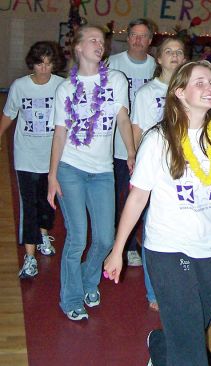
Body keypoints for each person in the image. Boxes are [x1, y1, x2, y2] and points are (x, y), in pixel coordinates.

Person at [103, 60, 211, 366]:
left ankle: (160, 343)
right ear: (179, 92)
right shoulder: (158, 140)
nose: (210, 88)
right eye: (200, 83)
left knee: (192, 327)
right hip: (167, 250)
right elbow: (137, 197)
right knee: (192, 353)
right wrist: (117, 250)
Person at [47, 25, 135, 321]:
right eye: (93, 40)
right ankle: (70, 298)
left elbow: (123, 118)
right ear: (79, 48)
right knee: (77, 237)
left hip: (103, 171)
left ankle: (87, 280)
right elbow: (60, 133)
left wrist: (132, 151)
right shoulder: (65, 88)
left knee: (105, 239)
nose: (100, 44)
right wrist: (51, 176)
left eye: (102, 40)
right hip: (70, 168)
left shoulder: (116, 80)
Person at [0, 41, 65, 279]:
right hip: (26, 156)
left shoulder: (61, 86)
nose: (44, 68)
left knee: (47, 204)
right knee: (29, 206)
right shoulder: (20, 86)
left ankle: (43, 233)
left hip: (52, 157)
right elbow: (9, 114)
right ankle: (29, 257)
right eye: (40, 63)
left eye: (49, 63)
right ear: (33, 64)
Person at [132, 36, 186, 311]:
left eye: (179, 52)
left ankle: (180, 282)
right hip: (155, 171)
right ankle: (154, 291)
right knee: (153, 230)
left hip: (185, 171)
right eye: (169, 51)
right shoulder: (146, 93)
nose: (174, 56)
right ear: (159, 59)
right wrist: (134, 158)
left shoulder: (192, 90)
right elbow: (137, 131)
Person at [108, 18, 156, 267]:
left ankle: (139, 244)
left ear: (150, 40)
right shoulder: (114, 64)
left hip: (149, 148)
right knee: (121, 198)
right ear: (127, 38)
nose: (138, 40)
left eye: (143, 36)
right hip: (118, 146)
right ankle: (122, 246)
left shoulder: (156, 67)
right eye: (134, 35)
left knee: (146, 199)